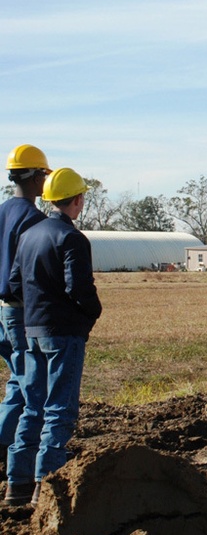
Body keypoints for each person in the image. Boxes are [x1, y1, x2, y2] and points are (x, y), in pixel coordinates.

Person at [5, 168, 101, 506]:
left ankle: (16, 483)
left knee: (33, 406)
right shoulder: (72, 238)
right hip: (64, 335)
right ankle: (45, 487)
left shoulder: (30, 233)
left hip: (32, 331)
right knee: (60, 409)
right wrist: (91, 313)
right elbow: (79, 288)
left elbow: (15, 283)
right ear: (77, 200)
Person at [0, 146, 51, 483]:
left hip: (3, 310)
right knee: (29, 382)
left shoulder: (3, 211)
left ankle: (6, 443)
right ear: (35, 177)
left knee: (17, 379)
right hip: (21, 311)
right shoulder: (33, 219)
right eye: (44, 176)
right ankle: (13, 451)